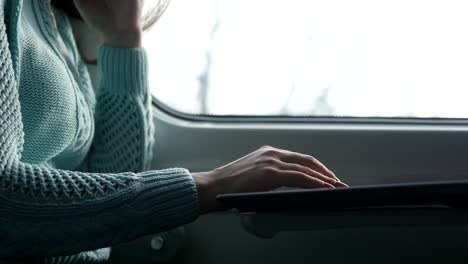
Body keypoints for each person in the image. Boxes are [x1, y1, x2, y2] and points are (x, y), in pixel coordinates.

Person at [0, 0, 348, 263]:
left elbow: (110, 176)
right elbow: (7, 206)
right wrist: (210, 184)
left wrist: (123, 38)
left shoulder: (48, 13)